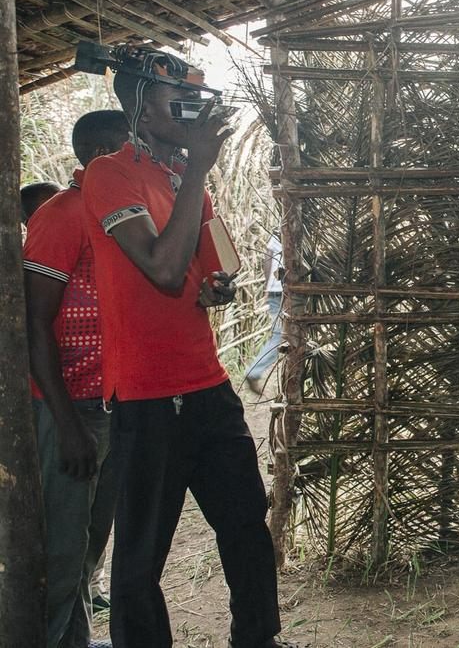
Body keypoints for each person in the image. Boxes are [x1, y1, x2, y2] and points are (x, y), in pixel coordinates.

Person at [80, 48, 295, 648]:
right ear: (141, 113)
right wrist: (200, 169)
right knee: (142, 555)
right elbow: (163, 269)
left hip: (205, 384)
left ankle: (258, 638)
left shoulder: (180, 181)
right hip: (146, 396)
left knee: (244, 524)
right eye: (179, 103)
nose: (194, 113)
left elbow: (200, 278)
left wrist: (217, 287)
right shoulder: (109, 175)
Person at [23, 109, 130, 648]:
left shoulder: (121, 215)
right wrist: (66, 424)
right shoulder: (62, 214)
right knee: (62, 555)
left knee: (88, 550)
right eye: (123, 149)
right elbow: (34, 325)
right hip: (69, 408)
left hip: (113, 403)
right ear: (94, 153)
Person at [245, 231, 284, 396]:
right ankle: (254, 371)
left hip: (275, 290)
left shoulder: (279, 231)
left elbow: (268, 257)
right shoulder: (292, 228)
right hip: (285, 291)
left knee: (281, 334)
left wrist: (268, 285)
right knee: (281, 336)